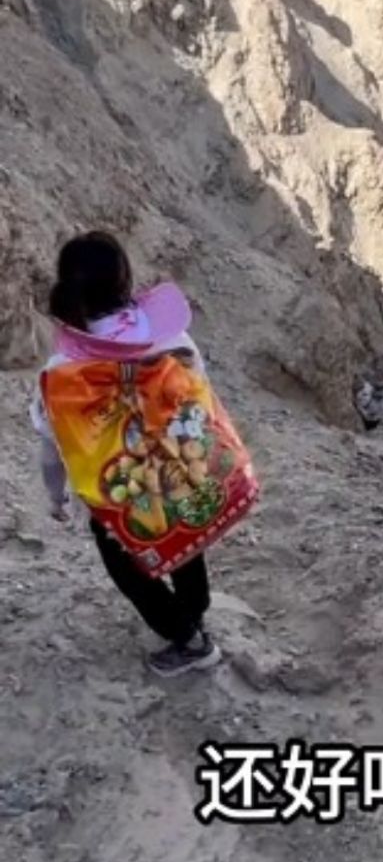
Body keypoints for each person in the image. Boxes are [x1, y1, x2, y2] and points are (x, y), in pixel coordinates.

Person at [30, 231, 222, 678]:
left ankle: (188, 639)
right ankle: (195, 610)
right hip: (179, 469)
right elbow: (200, 397)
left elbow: (51, 450)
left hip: (118, 492)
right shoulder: (172, 337)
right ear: (125, 278)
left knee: (127, 565)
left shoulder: (62, 374)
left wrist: (56, 498)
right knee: (184, 538)